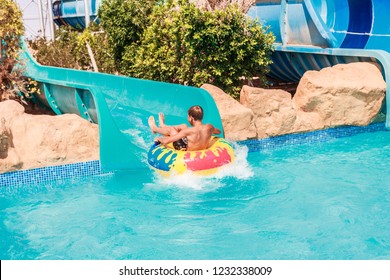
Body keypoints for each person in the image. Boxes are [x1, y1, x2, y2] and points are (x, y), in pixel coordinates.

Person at [148, 105, 221, 151]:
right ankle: (163, 125)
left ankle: (155, 128)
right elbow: (218, 132)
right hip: (200, 148)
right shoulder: (209, 127)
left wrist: (158, 139)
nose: (187, 118)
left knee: (172, 130)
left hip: (187, 152)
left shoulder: (189, 131)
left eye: (188, 116)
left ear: (191, 118)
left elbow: (167, 141)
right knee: (184, 126)